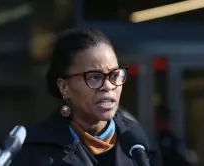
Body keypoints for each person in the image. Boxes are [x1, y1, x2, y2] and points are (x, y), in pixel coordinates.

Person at [10, 27, 162, 166]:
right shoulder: (34, 151)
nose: (108, 86)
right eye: (94, 77)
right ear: (64, 87)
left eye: (115, 75)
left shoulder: (138, 145)